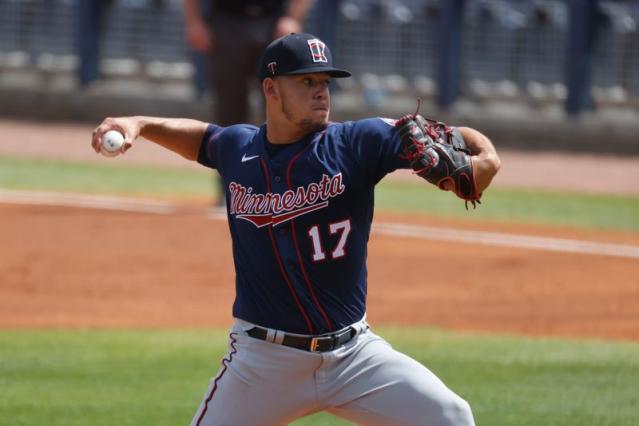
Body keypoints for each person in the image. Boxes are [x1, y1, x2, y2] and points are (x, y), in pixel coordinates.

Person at [91, 33, 500, 426]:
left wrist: (485, 159)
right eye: (307, 81)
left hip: (354, 356)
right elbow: (202, 138)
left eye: (324, 82)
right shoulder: (239, 149)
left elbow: (465, 143)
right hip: (264, 364)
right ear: (271, 89)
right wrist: (138, 123)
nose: (321, 91)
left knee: (451, 416)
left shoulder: (359, 141)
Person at [182, 0, 316, 205]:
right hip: (226, 21)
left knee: (285, 111)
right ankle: (231, 190)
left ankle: (289, 190)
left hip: (274, 22)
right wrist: (194, 21)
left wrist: (293, 17)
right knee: (229, 112)